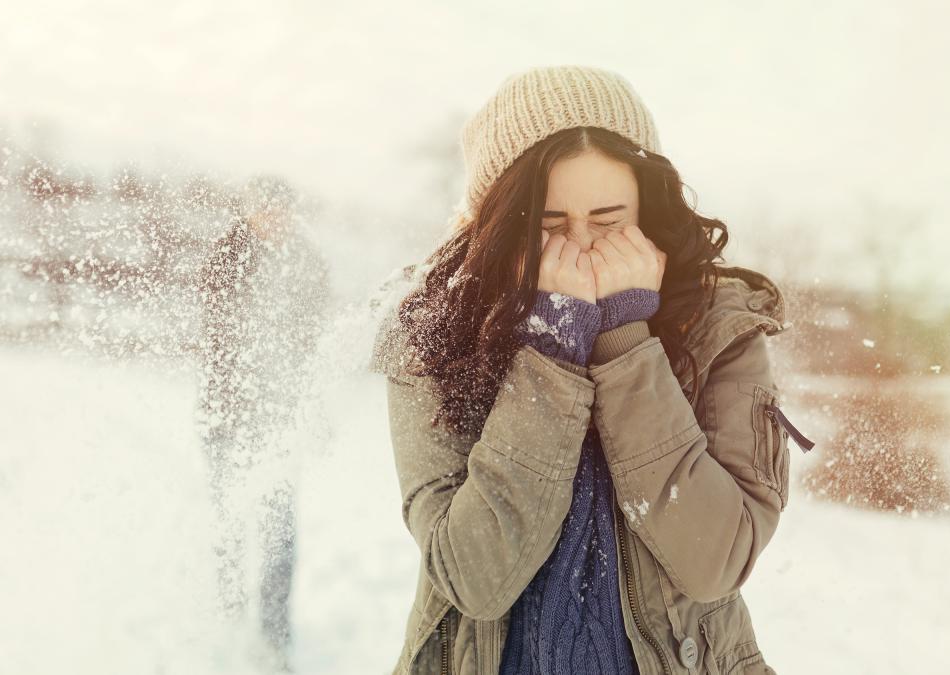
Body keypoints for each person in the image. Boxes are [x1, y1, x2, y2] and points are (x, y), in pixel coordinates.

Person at [369, 65, 812, 674]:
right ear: (495, 225)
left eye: (608, 221)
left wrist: (625, 342)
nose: (579, 245)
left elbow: (715, 562)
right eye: (548, 225)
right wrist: (553, 348)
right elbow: (474, 580)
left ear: (649, 210)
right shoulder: (436, 339)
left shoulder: (718, 329)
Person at [196, 173, 329, 669]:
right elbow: (219, 335)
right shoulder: (226, 256)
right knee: (229, 519)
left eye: (281, 210)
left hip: (279, 420)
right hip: (227, 415)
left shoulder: (308, 263)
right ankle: (228, 616)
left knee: (279, 529)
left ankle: (274, 635)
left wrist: (309, 407)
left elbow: (316, 341)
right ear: (249, 211)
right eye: (264, 209)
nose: (273, 219)